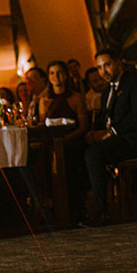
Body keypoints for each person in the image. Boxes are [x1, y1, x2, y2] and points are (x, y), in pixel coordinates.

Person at [81, 48, 137, 227]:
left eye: (107, 65)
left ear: (119, 63)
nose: (103, 71)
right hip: (114, 140)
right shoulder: (107, 91)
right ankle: (77, 208)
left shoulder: (135, 82)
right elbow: (107, 120)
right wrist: (94, 133)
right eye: (99, 67)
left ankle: (100, 212)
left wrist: (110, 132)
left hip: (133, 140)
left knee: (94, 154)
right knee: (78, 149)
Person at [40, 60, 89, 222]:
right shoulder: (44, 100)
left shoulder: (76, 97)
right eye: (52, 73)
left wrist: (64, 140)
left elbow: (83, 127)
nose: (56, 76)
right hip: (51, 142)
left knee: (69, 156)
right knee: (43, 155)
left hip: (71, 140)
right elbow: (42, 126)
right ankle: (50, 202)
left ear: (66, 75)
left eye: (59, 72)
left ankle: (73, 205)